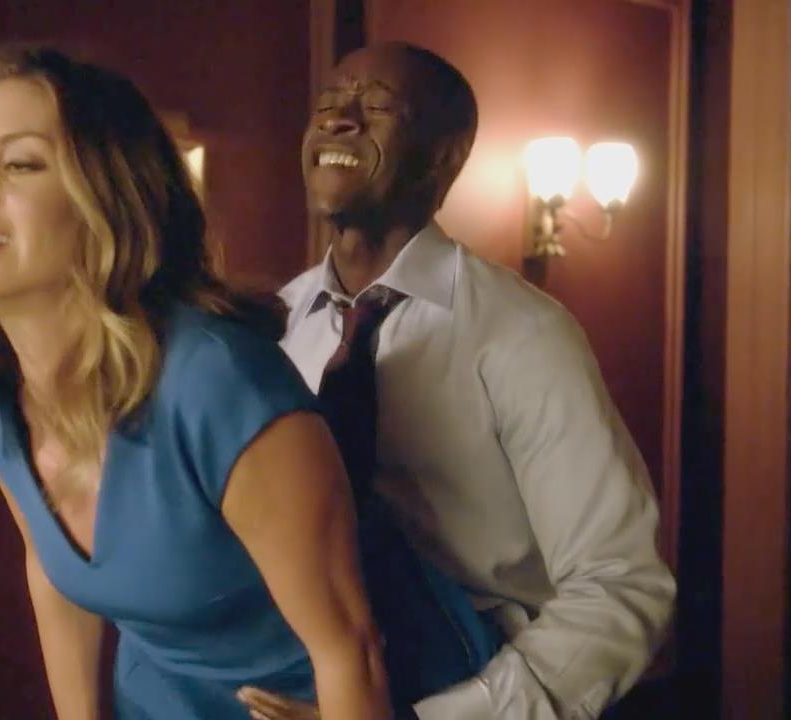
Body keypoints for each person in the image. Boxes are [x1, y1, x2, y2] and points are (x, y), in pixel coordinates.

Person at [0, 45, 393, 719]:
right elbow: (55, 574)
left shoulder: (217, 383)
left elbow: (351, 652)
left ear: (108, 201)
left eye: (20, 164)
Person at [237, 42, 676, 720]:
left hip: (474, 686)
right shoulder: (270, 329)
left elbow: (622, 586)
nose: (338, 120)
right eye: (327, 104)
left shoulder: (523, 334)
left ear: (444, 157)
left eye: (377, 106)